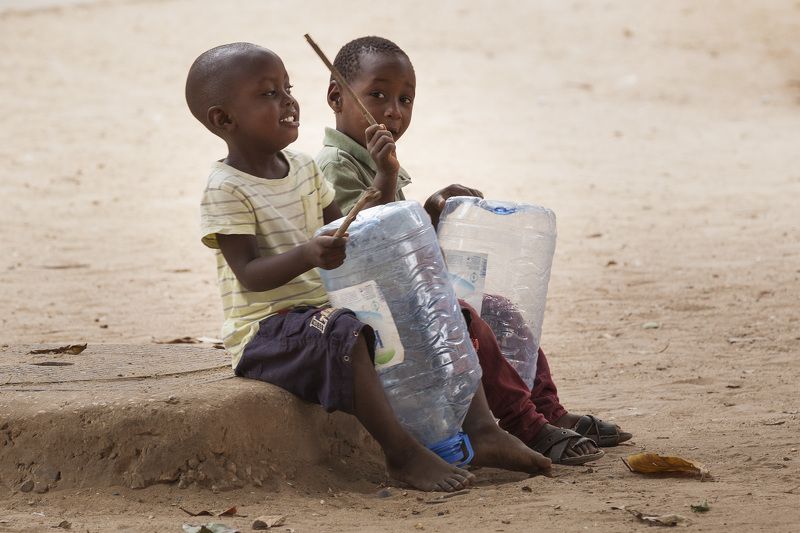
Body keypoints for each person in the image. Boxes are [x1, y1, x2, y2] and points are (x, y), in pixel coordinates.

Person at [187, 42, 551, 492]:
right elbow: (248, 274)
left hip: (325, 310)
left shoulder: (302, 168)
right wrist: (306, 254)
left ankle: (481, 428)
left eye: (287, 88)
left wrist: (384, 179)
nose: (287, 101)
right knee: (345, 332)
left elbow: (349, 230)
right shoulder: (226, 187)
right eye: (268, 94)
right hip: (268, 329)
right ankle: (401, 455)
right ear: (224, 120)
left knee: (438, 309)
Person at [316, 36, 632, 465]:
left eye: (406, 99)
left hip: (396, 297)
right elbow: (372, 248)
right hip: (372, 310)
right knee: (465, 320)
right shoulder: (333, 166)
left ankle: (546, 408)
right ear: (337, 95)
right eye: (377, 95)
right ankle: (526, 425)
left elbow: (402, 241)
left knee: (498, 309)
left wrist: (432, 211)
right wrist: (388, 180)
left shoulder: (376, 158)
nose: (393, 110)